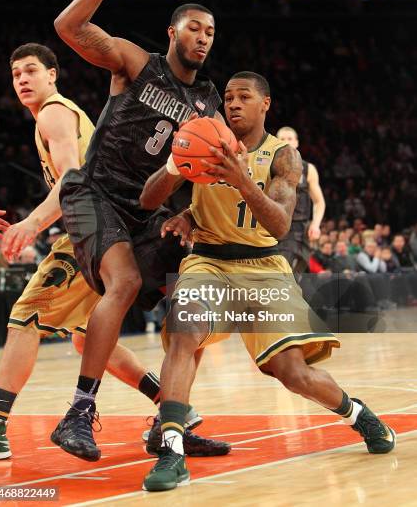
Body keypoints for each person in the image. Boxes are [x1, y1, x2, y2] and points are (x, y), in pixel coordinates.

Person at [139, 71, 395, 492]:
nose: (233, 103)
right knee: (185, 332)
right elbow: (149, 198)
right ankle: (171, 449)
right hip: (209, 262)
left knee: (294, 375)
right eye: (228, 97)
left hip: (263, 268)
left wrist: (240, 179)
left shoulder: (283, 156)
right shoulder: (205, 138)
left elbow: (278, 225)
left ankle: (357, 413)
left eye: (244, 96)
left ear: (265, 105)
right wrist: (175, 174)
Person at [0, 44, 226, 461]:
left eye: (31, 71)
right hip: (117, 222)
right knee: (89, 340)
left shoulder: (53, 112)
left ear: (53, 75)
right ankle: (175, 410)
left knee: (24, 319)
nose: (22, 79)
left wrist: (31, 223)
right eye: (15, 74)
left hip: (94, 225)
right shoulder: (57, 114)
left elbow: (70, 181)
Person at [51, 0, 225, 461]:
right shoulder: (135, 62)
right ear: (172, 31)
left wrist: (192, 215)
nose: (202, 37)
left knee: (192, 300)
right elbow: (68, 26)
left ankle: (169, 420)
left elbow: (216, 170)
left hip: (150, 211)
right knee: (122, 282)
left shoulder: (208, 103)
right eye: (194, 28)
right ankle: (78, 413)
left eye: (211, 32)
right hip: (96, 192)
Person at [275, 126, 326, 277]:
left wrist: (316, 225)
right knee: (279, 277)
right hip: (275, 227)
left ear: (296, 143)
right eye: (282, 139)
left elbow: (319, 202)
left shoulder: (308, 169)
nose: (286, 142)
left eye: (289, 138)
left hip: (298, 230)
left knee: (291, 276)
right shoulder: (270, 167)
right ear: (276, 143)